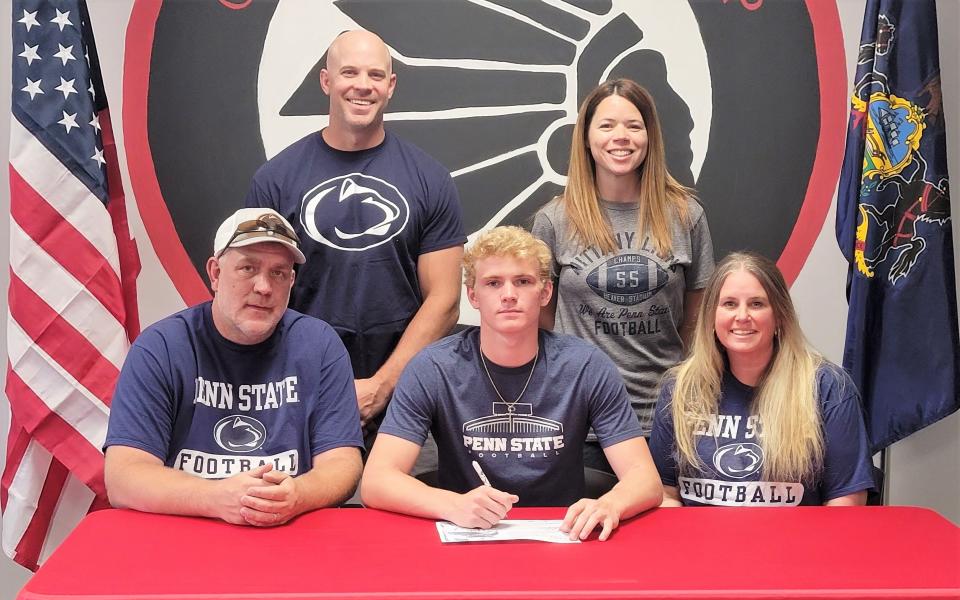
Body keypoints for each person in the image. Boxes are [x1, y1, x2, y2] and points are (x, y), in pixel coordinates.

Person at [361, 227, 662, 540]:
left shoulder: (586, 366)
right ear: (473, 295)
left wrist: (611, 504)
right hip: (467, 533)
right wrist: (452, 505)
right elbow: (377, 481)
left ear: (545, 293)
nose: (508, 294)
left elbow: (645, 479)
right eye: (493, 283)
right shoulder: (433, 367)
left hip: (564, 535)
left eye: (523, 281)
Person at [245, 29, 466, 434]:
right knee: (306, 498)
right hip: (300, 392)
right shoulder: (276, 180)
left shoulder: (430, 179)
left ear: (391, 86)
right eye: (349, 72)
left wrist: (382, 386)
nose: (362, 86)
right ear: (326, 80)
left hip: (407, 398)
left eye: (376, 75)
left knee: (399, 498)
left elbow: (446, 300)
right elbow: (258, 294)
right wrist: (317, 384)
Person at [104, 208, 364, 525]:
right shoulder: (160, 348)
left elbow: (343, 462)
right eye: (247, 268)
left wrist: (298, 494)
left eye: (279, 273)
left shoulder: (319, 345)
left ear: (291, 281)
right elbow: (123, 476)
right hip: (187, 527)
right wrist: (215, 498)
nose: (264, 287)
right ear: (215, 273)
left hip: (288, 531)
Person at [531, 78, 714, 463]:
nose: (621, 137)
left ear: (650, 137)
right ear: (586, 137)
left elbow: (697, 321)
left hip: (665, 420)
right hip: (581, 420)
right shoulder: (554, 220)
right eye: (607, 125)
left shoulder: (685, 216)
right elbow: (544, 322)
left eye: (633, 126)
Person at [649, 252, 875, 507]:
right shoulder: (679, 388)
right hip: (701, 545)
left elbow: (846, 501)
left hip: (796, 546)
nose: (742, 316)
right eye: (729, 304)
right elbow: (666, 493)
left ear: (779, 315)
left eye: (757, 303)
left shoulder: (828, 388)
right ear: (712, 316)